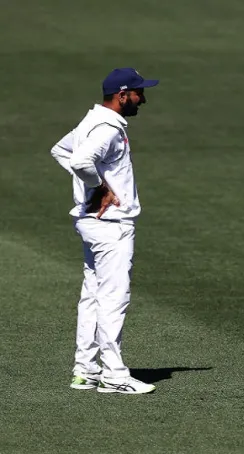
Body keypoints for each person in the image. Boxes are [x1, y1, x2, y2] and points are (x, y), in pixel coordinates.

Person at [49, 68, 159, 394]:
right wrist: (100, 187)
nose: (143, 99)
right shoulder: (108, 128)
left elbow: (61, 150)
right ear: (122, 95)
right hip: (111, 226)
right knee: (113, 299)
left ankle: (85, 371)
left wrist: (94, 184)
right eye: (139, 93)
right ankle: (114, 376)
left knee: (93, 297)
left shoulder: (91, 121)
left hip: (92, 224)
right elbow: (80, 160)